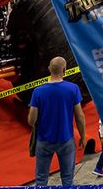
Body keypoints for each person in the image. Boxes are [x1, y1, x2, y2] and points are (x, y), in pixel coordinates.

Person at [28, 56, 85, 186]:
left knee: (41, 179)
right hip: (66, 140)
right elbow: (80, 116)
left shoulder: (38, 91)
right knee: (67, 179)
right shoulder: (73, 89)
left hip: (44, 141)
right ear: (64, 70)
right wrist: (82, 135)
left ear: (49, 69)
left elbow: (31, 121)